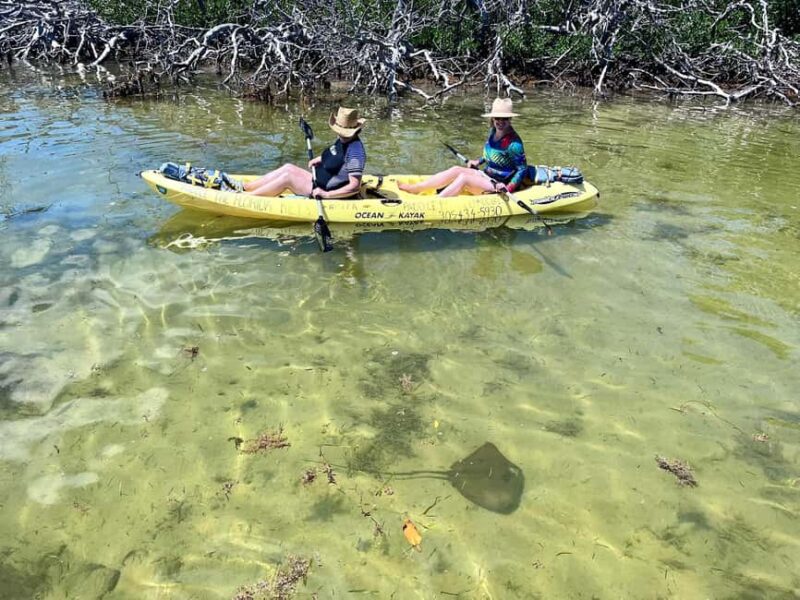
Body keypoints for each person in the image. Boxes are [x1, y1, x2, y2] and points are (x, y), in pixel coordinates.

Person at [397, 98, 528, 197]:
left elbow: (522, 169)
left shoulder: (514, 144)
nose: (500, 121)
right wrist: (478, 161)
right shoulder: (493, 132)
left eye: (504, 118)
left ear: (510, 119)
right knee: (455, 170)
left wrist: (508, 188)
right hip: (487, 175)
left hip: (499, 184)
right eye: (497, 118)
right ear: (493, 118)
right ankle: (416, 188)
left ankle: (436, 202)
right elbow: (491, 155)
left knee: (464, 179)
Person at [243, 107, 367, 198]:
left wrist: (327, 194)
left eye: (343, 131)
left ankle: (248, 198)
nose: (340, 133)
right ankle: (245, 188)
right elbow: (336, 156)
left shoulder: (355, 152)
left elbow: (354, 186)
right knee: (288, 167)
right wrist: (319, 159)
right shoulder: (343, 139)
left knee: (287, 178)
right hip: (317, 179)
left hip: (323, 189)